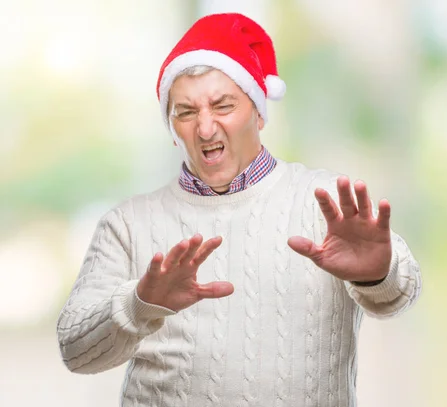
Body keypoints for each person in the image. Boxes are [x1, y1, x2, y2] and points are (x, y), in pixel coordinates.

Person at [57, 12, 422, 406]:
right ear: (171, 126)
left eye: (223, 105)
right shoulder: (127, 224)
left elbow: (401, 294)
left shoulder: (327, 201)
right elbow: (75, 350)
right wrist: (140, 303)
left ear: (259, 112)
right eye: (186, 112)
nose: (206, 128)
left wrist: (377, 274)